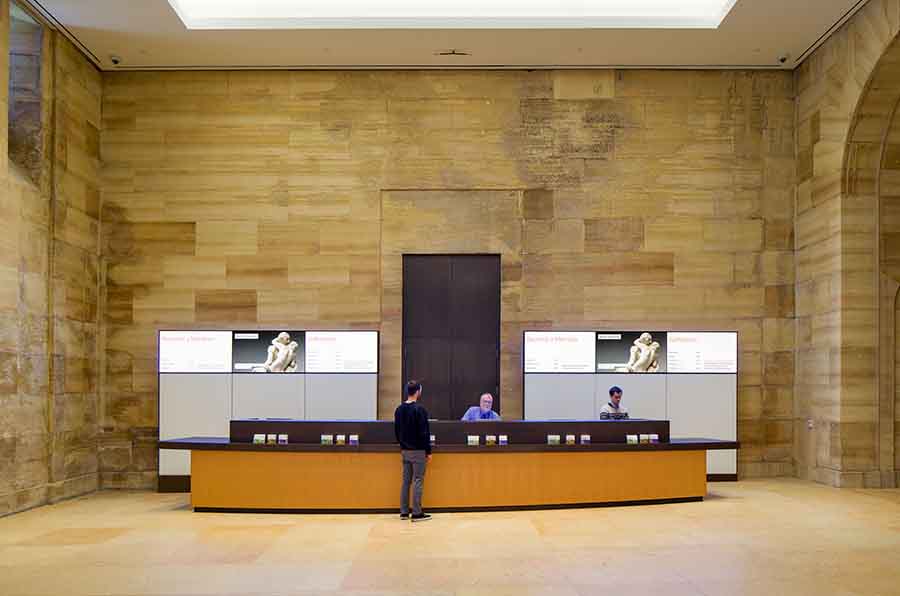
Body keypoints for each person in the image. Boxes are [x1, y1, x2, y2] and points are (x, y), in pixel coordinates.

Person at [394, 380, 432, 522]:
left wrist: (402, 445)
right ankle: (416, 512)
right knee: (418, 480)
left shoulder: (399, 409)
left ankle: (404, 511)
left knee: (406, 481)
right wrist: (428, 451)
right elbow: (424, 433)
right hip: (418, 451)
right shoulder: (419, 410)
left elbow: (397, 431)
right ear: (417, 392)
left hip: (404, 451)